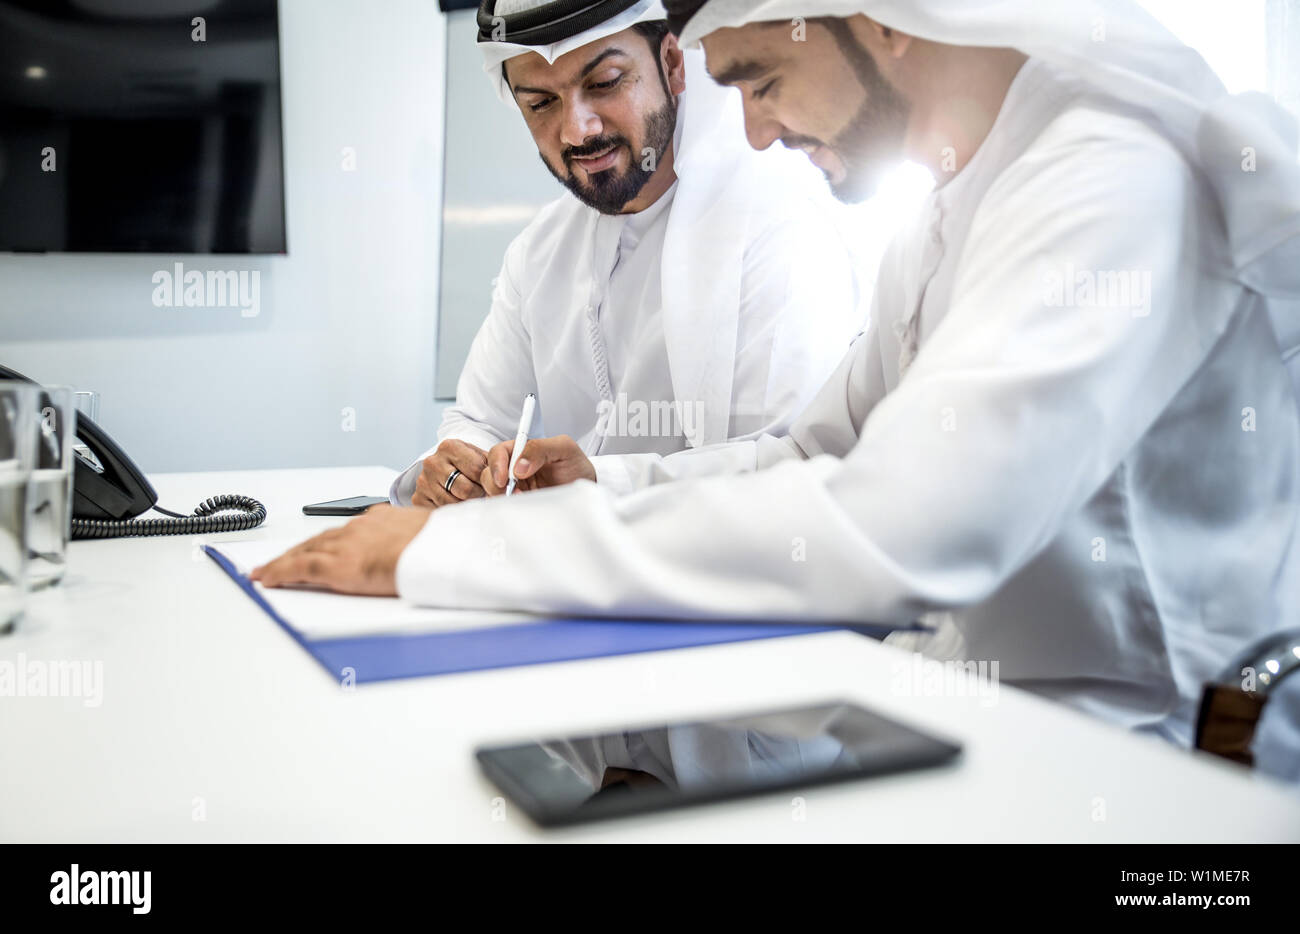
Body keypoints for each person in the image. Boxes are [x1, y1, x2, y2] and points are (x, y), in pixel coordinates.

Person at [255, 0, 1300, 745]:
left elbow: (904, 529)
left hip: (1139, 748)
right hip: (976, 718)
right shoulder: (949, 211)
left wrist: (453, 556)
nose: (753, 131)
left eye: (760, 79)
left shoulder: (1106, 180)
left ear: (883, 21)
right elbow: (813, 452)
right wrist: (601, 482)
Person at [389, 0, 863, 508]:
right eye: (541, 104)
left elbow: (789, 471)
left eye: (605, 82)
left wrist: (601, 482)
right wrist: (457, 469)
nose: (577, 131)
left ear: (673, 63)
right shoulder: (539, 250)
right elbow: (477, 421)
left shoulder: (782, 224)